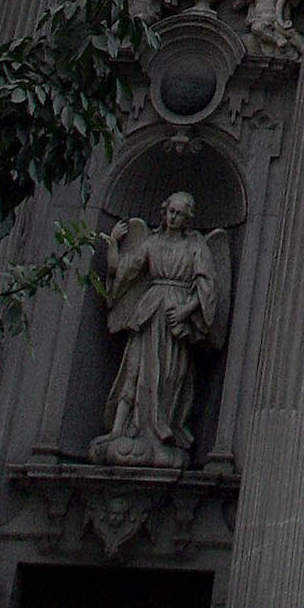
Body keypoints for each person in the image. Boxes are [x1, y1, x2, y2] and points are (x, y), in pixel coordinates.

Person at [90, 193, 226, 467]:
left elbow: (207, 287)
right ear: (164, 213)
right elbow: (122, 270)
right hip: (150, 312)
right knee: (134, 370)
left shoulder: (196, 248)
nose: (173, 217)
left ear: (187, 218)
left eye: (179, 213)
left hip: (175, 319)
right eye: (170, 212)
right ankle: (119, 429)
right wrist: (113, 242)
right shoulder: (151, 243)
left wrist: (186, 310)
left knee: (168, 377)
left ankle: (162, 430)